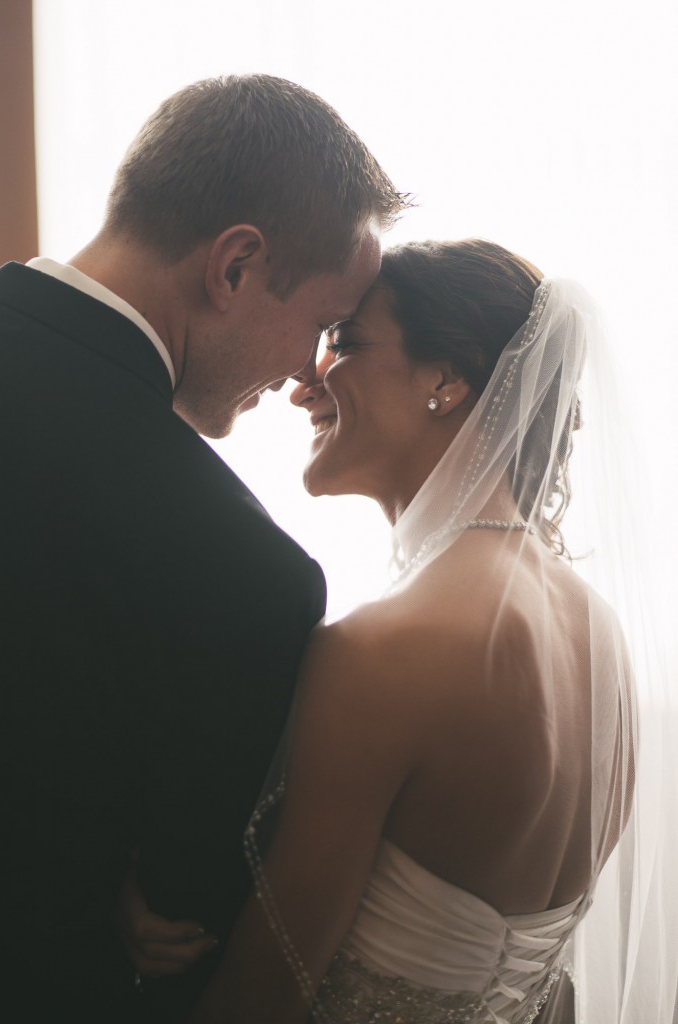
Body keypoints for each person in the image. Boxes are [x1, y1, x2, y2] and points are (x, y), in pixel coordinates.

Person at [122, 239, 677, 1022]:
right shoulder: (600, 635)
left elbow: (260, 997)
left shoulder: (381, 652)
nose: (303, 383)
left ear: (445, 381)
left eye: (344, 343)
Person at [0, 73, 408, 1022]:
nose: (308, 375)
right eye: (318, 325)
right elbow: (190, 933)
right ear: (233, 267)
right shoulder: (239, 578)